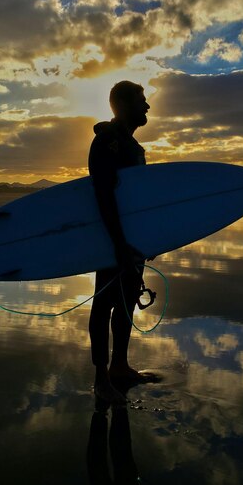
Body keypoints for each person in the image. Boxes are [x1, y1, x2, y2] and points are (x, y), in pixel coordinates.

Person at [88, 80, 151, 404]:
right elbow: (103, 196)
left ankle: (120, 365)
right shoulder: (107, 142)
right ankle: (100, 380)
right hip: (111, 241)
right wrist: (118, 243)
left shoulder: (131, 147)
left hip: (133, 243)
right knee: (104, 304)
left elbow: (137, 203)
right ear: (123, 104)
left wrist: (145, 241)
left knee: (126, 301)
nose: (147, 106)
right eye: (142, 100)